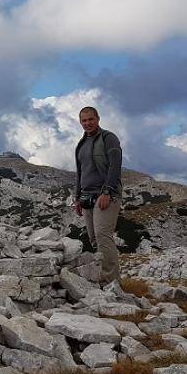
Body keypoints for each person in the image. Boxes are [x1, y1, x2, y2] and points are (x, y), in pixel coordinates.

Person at [73, 106, 123, 285]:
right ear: (80, 122)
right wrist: (77, 198)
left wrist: (107, 191)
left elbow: (115, 166)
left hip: (106, 195)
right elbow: (80, 173)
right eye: (84, 120)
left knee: (103, 236)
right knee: (94, 239)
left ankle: (112, 283)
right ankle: (102, 277)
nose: (87, 123)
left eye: (91, 119)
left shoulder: (108, 138)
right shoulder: (81, 144)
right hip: (86, 196)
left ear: (98, 119)